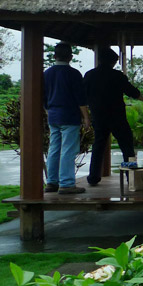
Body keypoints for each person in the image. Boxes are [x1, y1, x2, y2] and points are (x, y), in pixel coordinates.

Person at [84, 48, 143, 186]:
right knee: (126, 147)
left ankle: (93, 177)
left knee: (98, 146)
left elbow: (83, 96)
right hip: (117, 116)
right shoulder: (117, 75)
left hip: (98, 116)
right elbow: (131, 91)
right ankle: (130, 177)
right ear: (113, 62)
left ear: (99, 60)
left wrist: (86, 116)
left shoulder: (89, 75)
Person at [43, 42, 90, 194]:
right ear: (70, 57)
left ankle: (51, 182)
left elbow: (43, 97)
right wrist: (86, 118)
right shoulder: (74, 74)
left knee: (54, 149)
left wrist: (48, 111)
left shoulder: (46, 74)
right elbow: (80, 99)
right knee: (68, 150)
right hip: (69, 116)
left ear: (54, 56)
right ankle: (67, 183)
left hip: (53, 116)